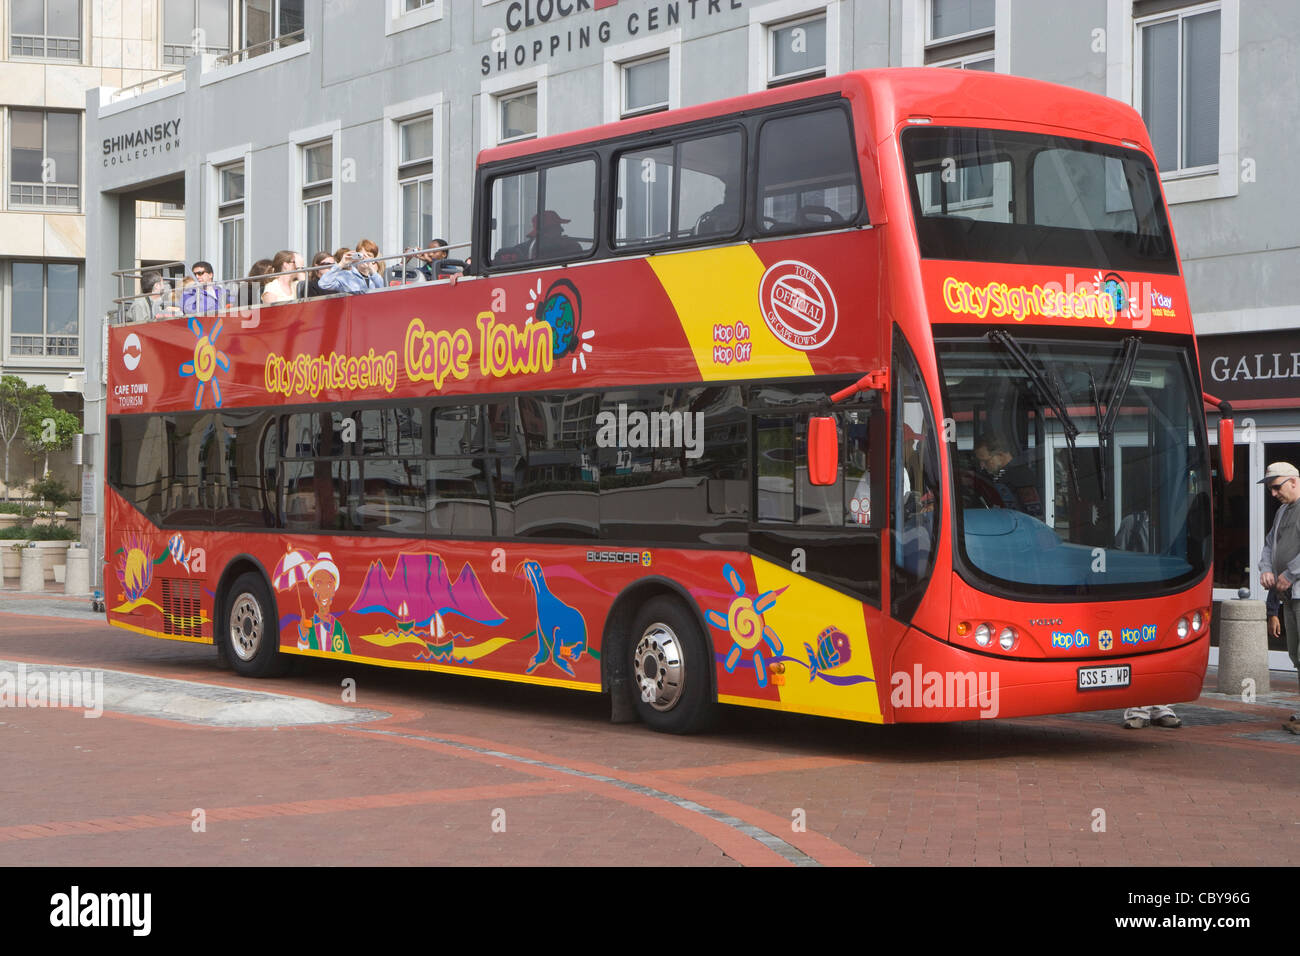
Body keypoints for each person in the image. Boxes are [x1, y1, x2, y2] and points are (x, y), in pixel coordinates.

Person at [1257, 461, 1300, 733]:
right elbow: (1269, 544)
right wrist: (1266, 569)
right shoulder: (1283, 511)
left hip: (1295, 590)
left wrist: (1291, 573)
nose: (1273, 494)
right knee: (1296, 654)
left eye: (1276, 487)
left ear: (1294, 482)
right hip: (1289, 596)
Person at [972, 431, 1043, 518]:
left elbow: (1035, 515)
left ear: (1001, 455)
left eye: (985, 461)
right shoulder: (998, 474)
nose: (982, 466)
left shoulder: (1021, 476)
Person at [297, 551, 351, 654]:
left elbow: (347, 653)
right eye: (318, 584)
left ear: (333, 591)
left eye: (328, 584)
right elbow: (302, 655)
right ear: (313, 591)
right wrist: (303, 639)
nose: (323, 591)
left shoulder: (338, 628)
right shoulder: (309, 625)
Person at [318, 246, 383, 294]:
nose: (364, 258)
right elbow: (324, 284)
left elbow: (382, 293)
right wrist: (341, 264)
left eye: (368, 255)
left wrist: (371, 268)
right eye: (361, 255)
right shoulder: (345, 276)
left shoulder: (374, 278)